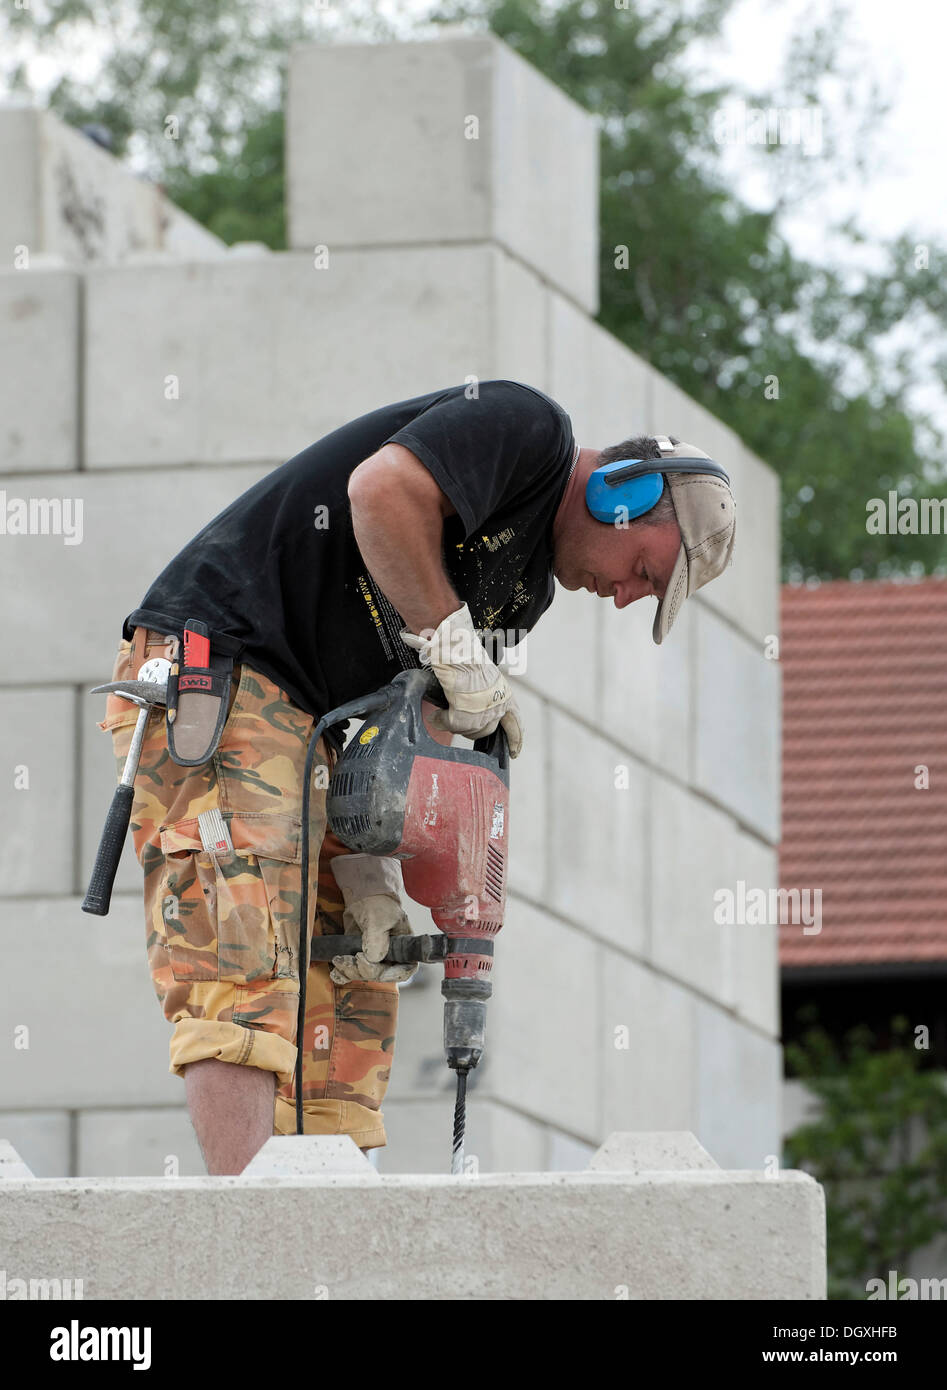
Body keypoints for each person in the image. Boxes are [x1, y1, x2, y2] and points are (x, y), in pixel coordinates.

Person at [98, 378, 735, 1173]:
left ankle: (331, 1252)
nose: (623, 598)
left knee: (355, 981)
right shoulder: (527, 430)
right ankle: (256, 1252)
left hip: (315, 735)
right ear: (623, 495)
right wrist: (454, 645)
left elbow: (393, 735)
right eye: (644, 571)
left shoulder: (521, 591)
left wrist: (365, 873)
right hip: (228, 669)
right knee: (245, 957)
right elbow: (380, 490)